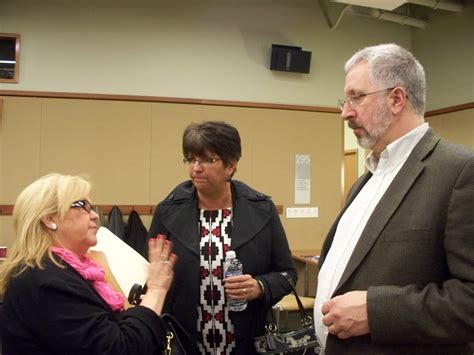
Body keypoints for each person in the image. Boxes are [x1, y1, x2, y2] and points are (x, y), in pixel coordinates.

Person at [314, 43, 474, 354]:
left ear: (396, 99)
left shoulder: (459, 172)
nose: (345, 112)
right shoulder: (365, 181)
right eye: (345, 100)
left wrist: (376, 312)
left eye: (356, 97)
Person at [148, 120, 297, 354]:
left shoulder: (262, 209)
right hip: (183, 341)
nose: (196, 168)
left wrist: (260, 286)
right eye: (191, 159)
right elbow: (150, 275)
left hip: (246, 340)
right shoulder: (168, 211)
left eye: (208, 159)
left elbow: (287, 273)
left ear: (231, 165)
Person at [0, 173, 177, 354]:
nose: (94, 216)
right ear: (50, 219)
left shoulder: (70, 271)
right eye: (82, 206)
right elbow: (119, 349)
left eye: (92, 207)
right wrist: (156, 289)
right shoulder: (47, 281)